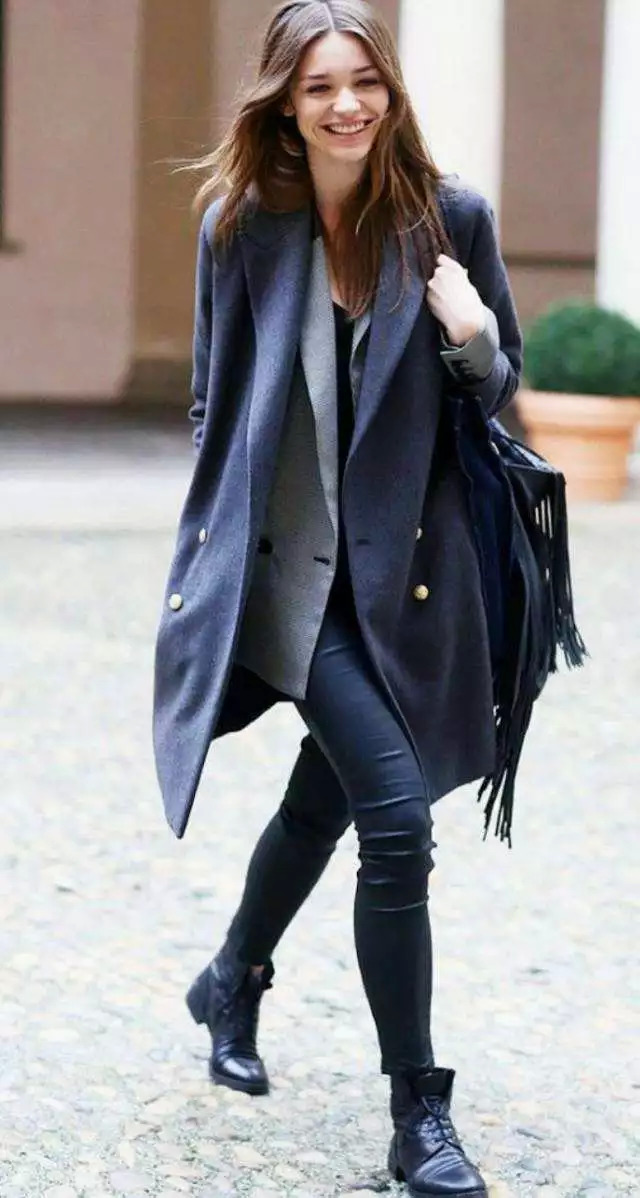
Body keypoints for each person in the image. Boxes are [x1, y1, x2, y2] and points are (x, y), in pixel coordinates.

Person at [153, 1, 522, 1194]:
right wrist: (221, 553)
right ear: (285, 105)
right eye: (318, 87)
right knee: (396, 822)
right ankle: (419, 1113)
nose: (345, 104)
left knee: (326, 800)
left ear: (389, 91)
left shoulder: (449, 219)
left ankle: (232, 975)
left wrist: (471, 334)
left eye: (362, 81)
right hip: (292, 586)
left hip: (406, 586)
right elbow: (213, 403)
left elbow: (496, 399)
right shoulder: (237, 228)